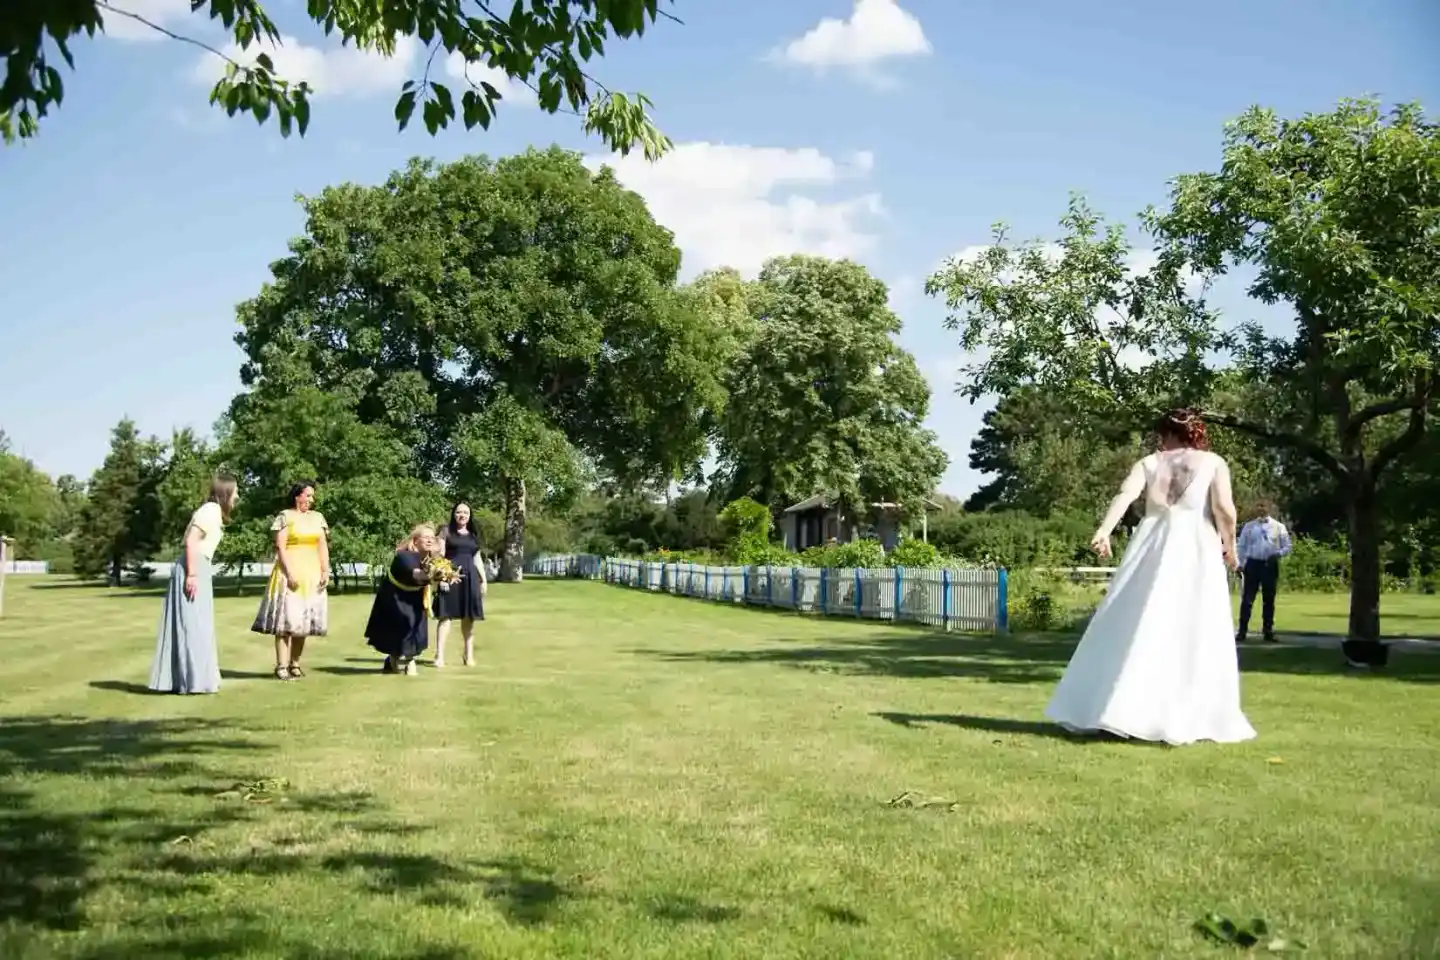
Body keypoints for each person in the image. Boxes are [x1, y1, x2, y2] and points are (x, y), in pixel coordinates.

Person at [1043, 409, 1257, 745]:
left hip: (1150, 543)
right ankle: (1182, 712)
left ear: (1167, 433)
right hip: (1194, 545)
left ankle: (1116, 706)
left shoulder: (1148, 463)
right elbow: (1224, 509)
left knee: (1132, 621)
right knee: (1192, 625)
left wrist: (1104, 531)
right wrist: (1230, 547)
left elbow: (1125, 496)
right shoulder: (1213, 462)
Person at [148, 475, 239, 694]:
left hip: (200, 566)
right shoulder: (209, 510)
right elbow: (191, 541)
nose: (237, 496)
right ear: (225, 492)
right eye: (235, 491)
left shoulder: (214, 512)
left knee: (199, 624)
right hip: (194, 566)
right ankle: (193, 681)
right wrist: (192, 575)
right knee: (192, 624)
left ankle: (198, 679)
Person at [250, 481, 330, 680]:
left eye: (312, 496)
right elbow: (281, 547)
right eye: (308, 495)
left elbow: (322, 547)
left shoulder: (318, 518)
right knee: (286, 622)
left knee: (303, 623)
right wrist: (290, 573)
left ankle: (295, 663)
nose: (311, 500)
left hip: (311, 574)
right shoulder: (285, 516)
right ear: (298, 496)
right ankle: (281, 666)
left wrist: (325, 571)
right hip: (290, 573)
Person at [366, 524, 438, 676]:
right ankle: (398, 661)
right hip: (395, 599)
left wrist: (446, 575)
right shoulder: (404, 556)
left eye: (432, 538)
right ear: (415, 541)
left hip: (415, 598)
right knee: (399, 630)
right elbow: (417, 574)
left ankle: (405, 662)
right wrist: (435, 574)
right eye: (426, 537)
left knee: (414, 628)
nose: (430, 540)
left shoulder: (430, 559)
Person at [432, 502, 487, 668]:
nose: (462, 515)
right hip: (450, 577)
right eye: (459, 512)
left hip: (471, 579)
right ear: (454, 514)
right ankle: (439, 656)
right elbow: (439, 556)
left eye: (465, 513)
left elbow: (477, 559)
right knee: (445, 617)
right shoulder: (446, 532)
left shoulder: (473, 535)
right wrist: (441, 577)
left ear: (470, 516)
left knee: (469, 619)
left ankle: (468, 655)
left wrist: (483, 580)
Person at [1235, 501, 1291, 644]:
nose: (1261, 509)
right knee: (1247, 599)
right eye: (1258, 506)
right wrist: (1240, 563)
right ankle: (1242, 631)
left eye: (1264, 506)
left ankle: (1268, 631)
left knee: (1269, 599)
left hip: (1269, 564)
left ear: (1270, 508)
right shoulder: (1249, 526)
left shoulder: (1278, 527)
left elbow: (1287, 546)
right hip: (1253, 564)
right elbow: (1241, 546)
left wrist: (1277, 554)